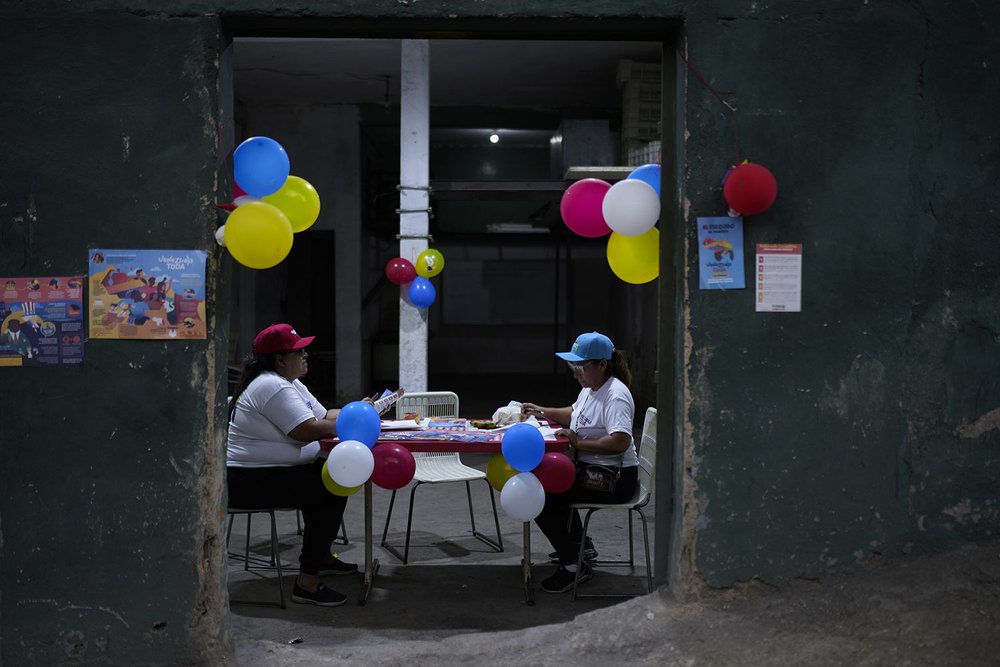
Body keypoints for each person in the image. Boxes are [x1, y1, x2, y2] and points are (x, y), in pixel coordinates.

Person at [227, 323, 364, 607]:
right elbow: (306, 430)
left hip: (268, 473)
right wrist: (356, 423)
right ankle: (307, 584)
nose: (305, 356)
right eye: (299, 351)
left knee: (336, 477)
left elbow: (325, 414)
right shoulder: (271, 385)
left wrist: (361, 410)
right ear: (279, 359)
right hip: (245, 480)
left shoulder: (290, 383)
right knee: (325, 489)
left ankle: (321, 556)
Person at [520, 331, 638, 594]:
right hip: (594, 469)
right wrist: (541, 410)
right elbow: (574, 412)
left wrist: (578, 443)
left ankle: (574, 565)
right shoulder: (591, 388)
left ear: (602, 365)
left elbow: (620, 441)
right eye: (573, 367)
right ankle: (580, 546)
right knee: (551, 482)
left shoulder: (615, 395)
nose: (576, 374)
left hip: (615, 479)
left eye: (581, 367)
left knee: (541, 495)